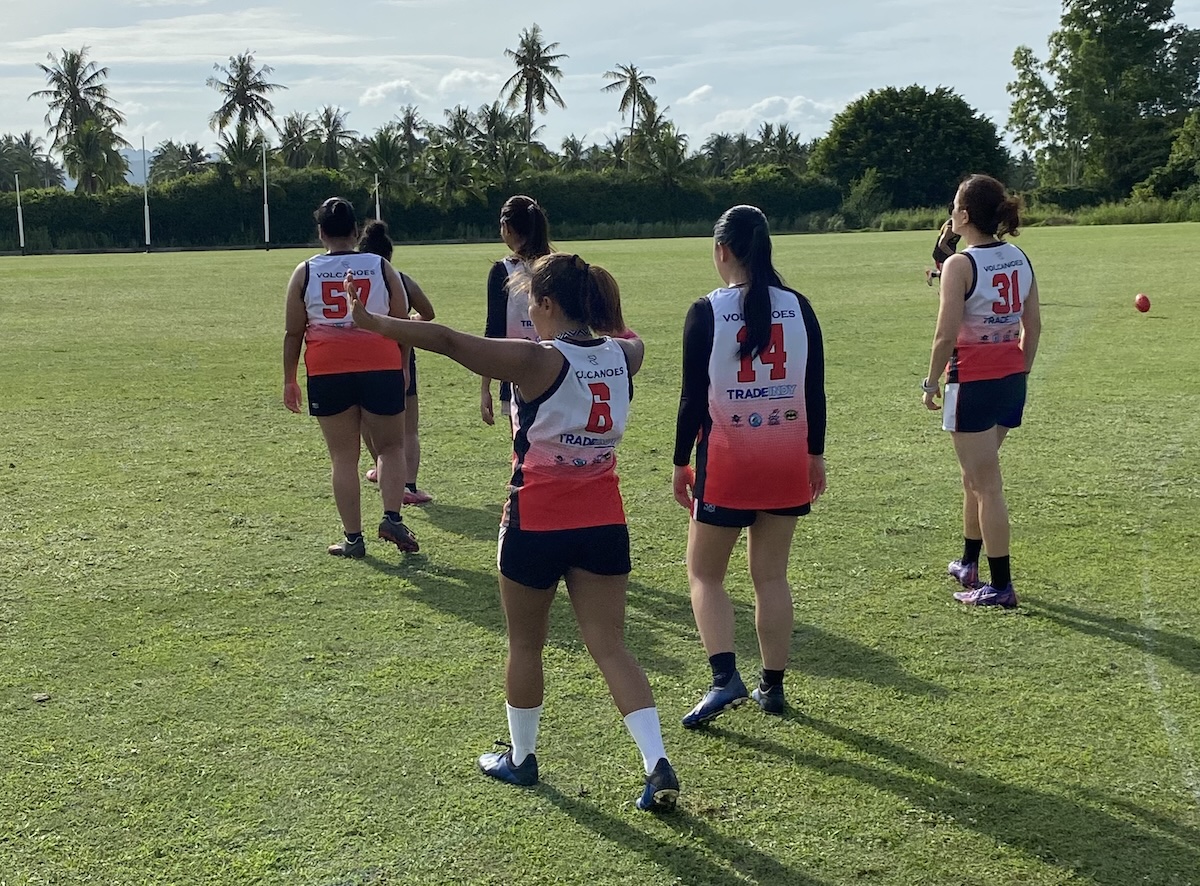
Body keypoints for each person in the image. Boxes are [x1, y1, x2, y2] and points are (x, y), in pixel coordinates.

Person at [349, 252, 679, 812]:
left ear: (547, 303)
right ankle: (656, 762)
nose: (528, 311)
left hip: (536, 521)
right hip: (604, 520)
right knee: (611, 647)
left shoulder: (535, 360)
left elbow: (448, 340)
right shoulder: (626, 354)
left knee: (526, 645)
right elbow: (628, 336)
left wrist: (374, 322)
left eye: (531, 302)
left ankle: (522, 759)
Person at [672, 205, 827, 727]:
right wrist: (815, 454)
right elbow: (814, 390)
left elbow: (692, 399)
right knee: (771, 576)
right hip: (786, 459)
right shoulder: (799, 307)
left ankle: (724, 679)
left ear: (722, 250)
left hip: (727, 464)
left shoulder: (707, 310)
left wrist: (679, 462)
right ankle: (772, 686)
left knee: (704, 573)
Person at [921, 174, 1041, 608]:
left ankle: (1001, 586)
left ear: (966, 214)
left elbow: (945, 335)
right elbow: (1033, 326)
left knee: (986, 484)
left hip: (972, 380)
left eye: (955, 205)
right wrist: (1019, 372)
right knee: (973, 477)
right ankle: (969, 563)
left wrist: (930, 382)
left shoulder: (960, 265)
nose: (951, 212)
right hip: (1010, 378)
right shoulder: (1019, 256)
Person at [282, 197, 419, 558]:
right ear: (356, 231)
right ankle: (392, 517)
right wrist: (403, 365)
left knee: (343, 458)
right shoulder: (380, 265)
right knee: (391, 447)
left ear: (321, 233)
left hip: (328, 368)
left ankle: (353, 539)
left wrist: (289, 379)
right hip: (380, 364)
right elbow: (402, 323)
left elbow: (293, 332)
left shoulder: (305, 271)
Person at [356, 220, 437, 506]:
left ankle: (383, 468)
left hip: (359, 355)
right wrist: (410, 321)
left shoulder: (350, 280)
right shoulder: (401, 280)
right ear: (389, 255)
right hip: (398, 354)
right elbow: (428, 313)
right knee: (408, 428)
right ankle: (408, 485)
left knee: (366, 420)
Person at [480, 195, 553, 427]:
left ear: (507, 227)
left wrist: (485, 387)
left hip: (515, 371)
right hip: (557, 368)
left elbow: (494, 330)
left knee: (522, 443)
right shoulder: (556, 266)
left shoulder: (503, 271)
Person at [925, 217, 962, 286]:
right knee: (946, 280)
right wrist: (954, 255)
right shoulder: (950, 228)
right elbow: (942, 244)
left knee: (950, 274)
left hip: (949, 255)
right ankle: (933, 275)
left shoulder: (960, 225)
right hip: (941, 256)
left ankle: (932, 274)